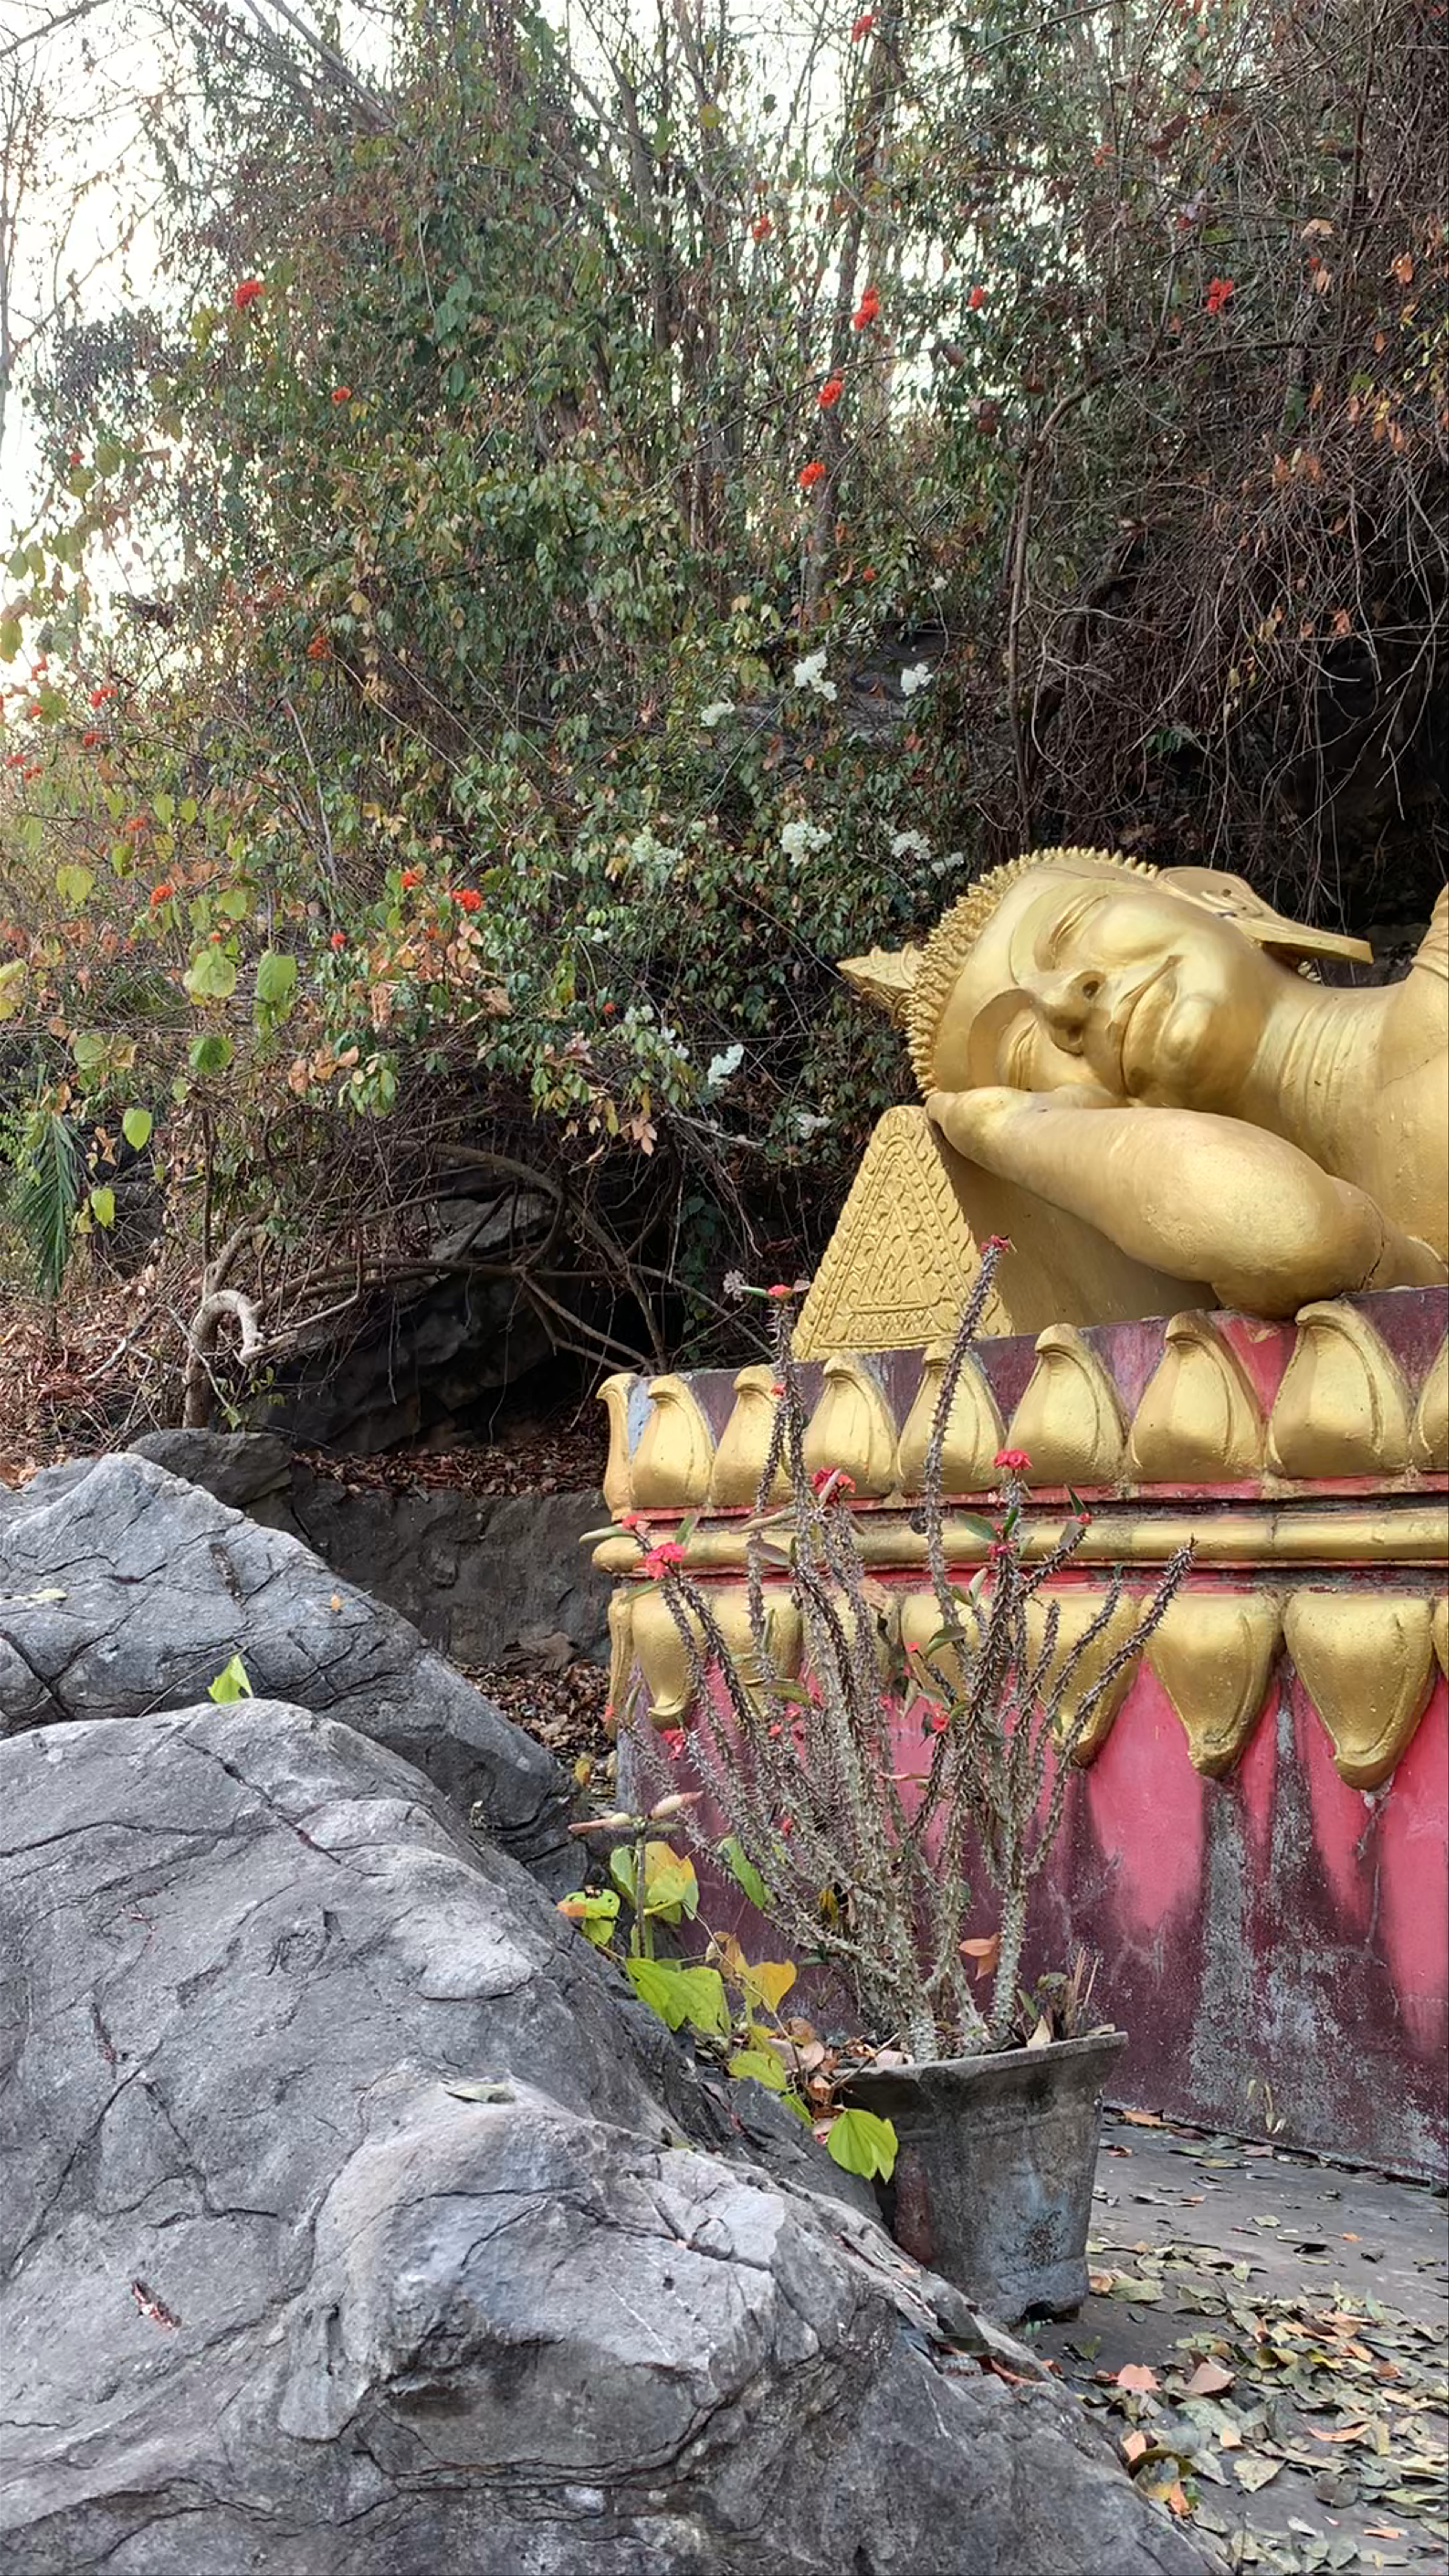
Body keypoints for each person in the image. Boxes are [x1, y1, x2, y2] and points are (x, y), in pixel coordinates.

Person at [843, 848, 1446, 1318]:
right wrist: (1015, 1127)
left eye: (1068, 928)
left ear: (1219, 901)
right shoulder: (1385, 1264)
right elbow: (1289, 1234)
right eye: (1023, 1059)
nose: (1062, 1002)